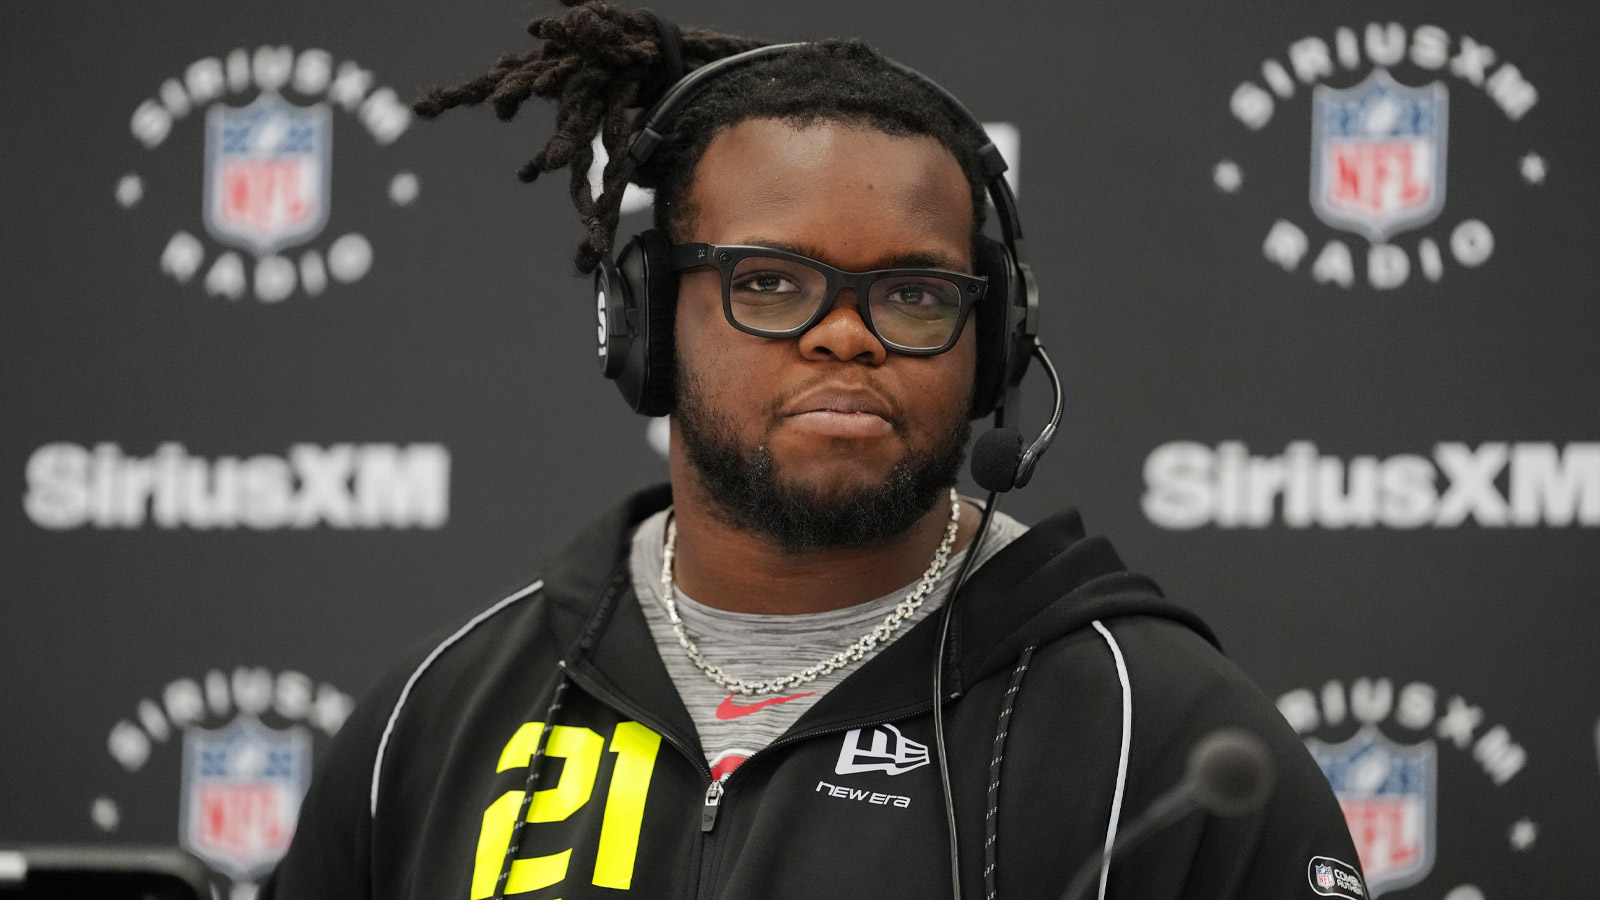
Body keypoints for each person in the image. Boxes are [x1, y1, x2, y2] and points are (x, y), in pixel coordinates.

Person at [264, 3, 1366, 898]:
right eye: (771, 283)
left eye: (914, 293)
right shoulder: (441, 715)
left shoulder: (1157, 731)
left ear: (993, 346)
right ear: (646, 324)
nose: (845, 334)